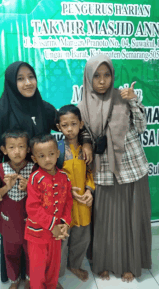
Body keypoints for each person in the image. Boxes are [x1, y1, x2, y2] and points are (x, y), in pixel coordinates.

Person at [0, 61, 93, 282]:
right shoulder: (3, 110)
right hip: (16, 183)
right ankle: (18, 278)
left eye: (31, 77)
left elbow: (68, 123)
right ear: (12, 83)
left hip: (42, 184)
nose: (27, 82)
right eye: (21, 78)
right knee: (15, 235)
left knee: (42, 233)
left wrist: (87, 141)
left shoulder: (43, 107)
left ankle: (42, 276)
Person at [78, 54, 151, 282]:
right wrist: (87, 144)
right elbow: (85, 133)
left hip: (131, 167)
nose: (102, 81)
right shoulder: (82, 105)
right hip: (103, 170)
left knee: (129, 218)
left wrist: (133, 100)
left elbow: (141, 127)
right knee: (105, 220)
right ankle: (104, 263)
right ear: (88, 78)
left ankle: (129, 264)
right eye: (97, 76)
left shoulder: (123, 97)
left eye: (107, 75)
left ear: (113, 76)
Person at [25, 134, 73, 289]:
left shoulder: (65, 177)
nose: (47, 159)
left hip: (57, 234)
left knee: (54, 266)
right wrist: (53, 226)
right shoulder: (34, 178)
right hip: (37, 233)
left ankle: (52, 286)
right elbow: (33, 208)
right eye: (42, 156)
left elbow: (68, 202)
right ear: (34, 158)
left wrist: (65, 222)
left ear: (57, 154)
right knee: (37, 269)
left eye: (51, 154)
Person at [56, 105, 95, 282]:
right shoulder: (57, 150)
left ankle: (75, 264)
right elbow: (53, 176)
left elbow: (90, 172)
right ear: (59, 127)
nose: (70, 129)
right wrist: (67, 190)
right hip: (64, 203)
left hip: (83, 203)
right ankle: (58, 273)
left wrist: (89, 190)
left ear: (81, 124)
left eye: (73, 124)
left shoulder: (86, 149)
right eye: (65, 125)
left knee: (82, 237)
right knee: (62, 240)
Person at [0, 129, 35, 289]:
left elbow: (41, 197)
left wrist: (29, 188)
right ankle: (14, 279)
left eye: (21, 146)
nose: (17, 151)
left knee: (31, 253)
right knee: (10, 254)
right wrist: (7, 187)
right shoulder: (0, 169)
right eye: (11, 147)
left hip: (29, 222)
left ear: (28, 149)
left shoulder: (34, 169)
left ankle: (30, 278)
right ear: (4, 150)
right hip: (8, 221)